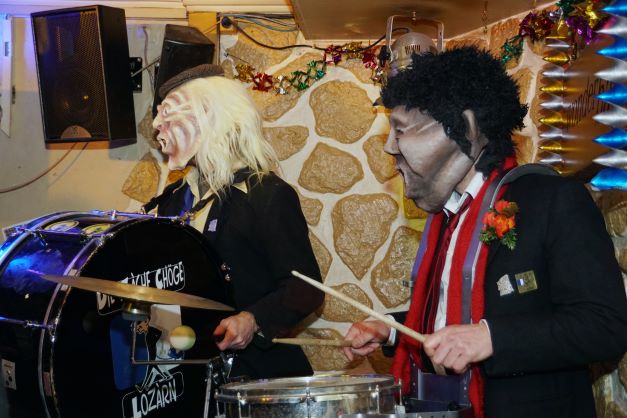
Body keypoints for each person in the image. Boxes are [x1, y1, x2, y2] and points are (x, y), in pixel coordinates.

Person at [343, 47, 627, 418]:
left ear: (466, 128)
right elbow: (453, 314)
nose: (389, 147)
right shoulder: (446, 218)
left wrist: (492, 337)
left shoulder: (552, 198)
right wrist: (392, 330)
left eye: (401, 130)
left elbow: (605, 326)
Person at [149, 63, 324, 379]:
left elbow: (306, 288)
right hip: (194, 378)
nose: (158, 127)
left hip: (259, 379)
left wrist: (252, 319)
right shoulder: (173, 200)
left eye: (171, 116)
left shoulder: (267, 194)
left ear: (208, 117)